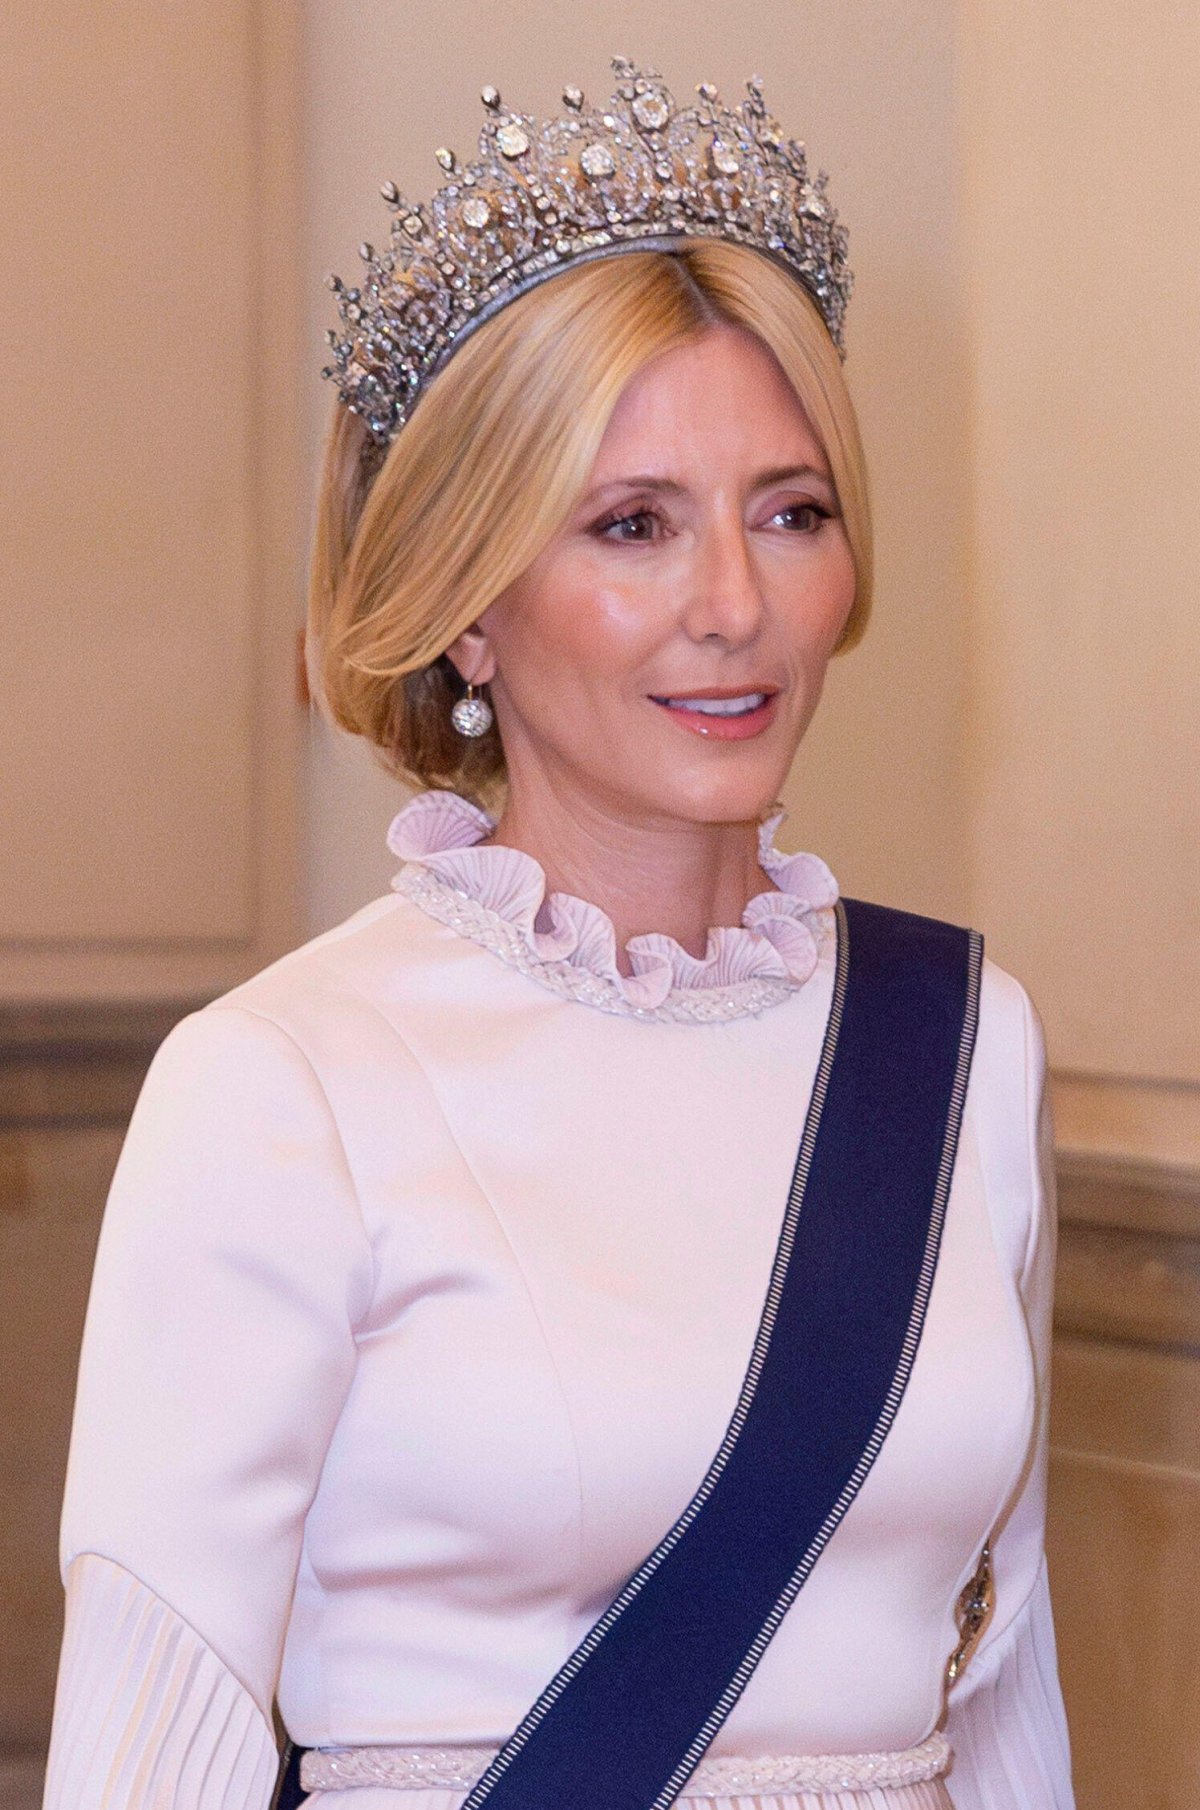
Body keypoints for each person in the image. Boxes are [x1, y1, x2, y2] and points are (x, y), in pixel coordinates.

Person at [42, 58, 1074, 1810]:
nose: (735, 605)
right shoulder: (285, 1084)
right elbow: (156, 1741)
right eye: (632, 524)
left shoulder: (960, 1039)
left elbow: (1006, 1676)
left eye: (790, 509)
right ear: (463, 604)